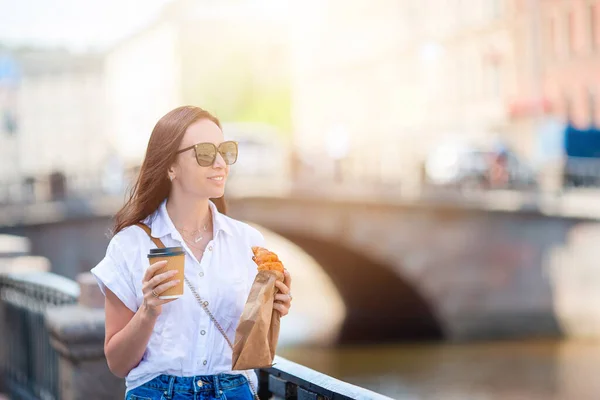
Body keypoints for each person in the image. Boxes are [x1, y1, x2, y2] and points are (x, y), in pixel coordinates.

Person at [91, 106, 293, 399]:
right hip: (158, 392)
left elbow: (255, 346)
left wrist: (274, 310)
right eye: (205, 153)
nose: (221, 163)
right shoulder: (130, 245)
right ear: (170, 166)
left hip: (233, 390)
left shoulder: (248, 243)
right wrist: (148, 310)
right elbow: (118, 363)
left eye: (225, 151)